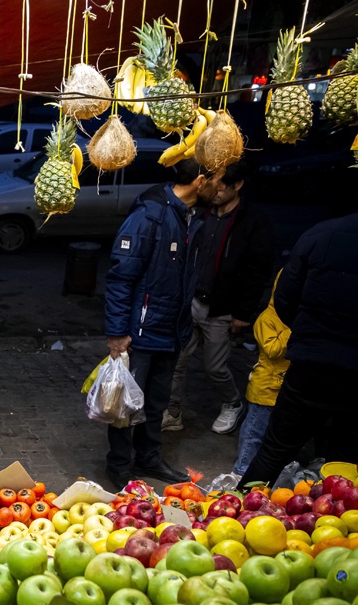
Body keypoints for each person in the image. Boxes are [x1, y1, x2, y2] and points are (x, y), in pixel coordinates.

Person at [103, 159, 219, 485]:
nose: (220, 188)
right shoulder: (149, 215)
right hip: (139, 333)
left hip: (170, 330)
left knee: (156, 405)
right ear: (200, 180)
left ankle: (149, 460)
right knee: (125, 408)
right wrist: (116, 332)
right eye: (217, 180)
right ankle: (120, 469)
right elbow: (120, 278)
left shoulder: (191, 217)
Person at [238, 212, 358, 490]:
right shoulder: (320, 234)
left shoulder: (320, 234)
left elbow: (284, 300)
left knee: (274, 450)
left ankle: (237, 513)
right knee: (347, 464)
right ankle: (339, 526)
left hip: (312, 364)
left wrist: (310, 335)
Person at [164, 160, 274, 434]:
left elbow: (256, 271)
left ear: (238, 186)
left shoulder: (251, 221)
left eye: (221, 187)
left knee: (215, 367)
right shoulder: (203, 213)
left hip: (222, 308)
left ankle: (232, 403)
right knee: (178, 359)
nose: (214, 191)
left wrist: (242, 314)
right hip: (193, 302)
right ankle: (173, 412)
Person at [233, 271, 290, 477]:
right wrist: (292, 330)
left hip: (283, 388)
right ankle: (242, 469)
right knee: (254, 433)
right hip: (265, 388)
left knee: (272, 434)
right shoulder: (268, 318)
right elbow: (274, 349)